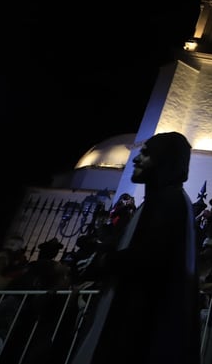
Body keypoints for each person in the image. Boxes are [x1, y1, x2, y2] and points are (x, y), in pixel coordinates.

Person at [71, 131, 201, 364]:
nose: (136, 159)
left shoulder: (168, 201)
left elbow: (148, 258)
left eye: (147, 154)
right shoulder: (165, 200)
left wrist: (102, 261)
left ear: (164, 161)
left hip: (142, 326)